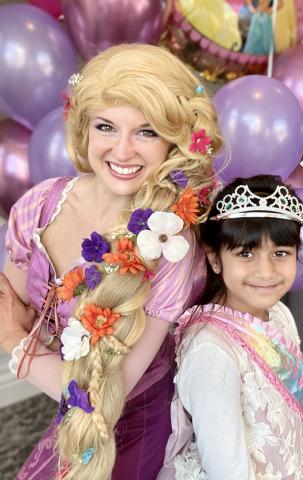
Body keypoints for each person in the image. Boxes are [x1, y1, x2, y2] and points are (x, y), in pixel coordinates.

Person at [0, 43, 223, 480]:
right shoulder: (37, 207)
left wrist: (14, 341)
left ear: (175, 141)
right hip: (71, 416)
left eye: (146, 132)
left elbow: (102, 397)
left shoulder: (171, 245)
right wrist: (34, 350)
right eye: (106, 126)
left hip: (136, 424)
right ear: (83, 129)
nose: (122, 152)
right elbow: (17, 310)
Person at [158, 175, 303, 479]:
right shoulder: (211, 349)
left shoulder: (279, 314)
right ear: (215, 258)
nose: (266, 271)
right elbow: (228, 469)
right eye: (246, 253)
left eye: (280, 253)